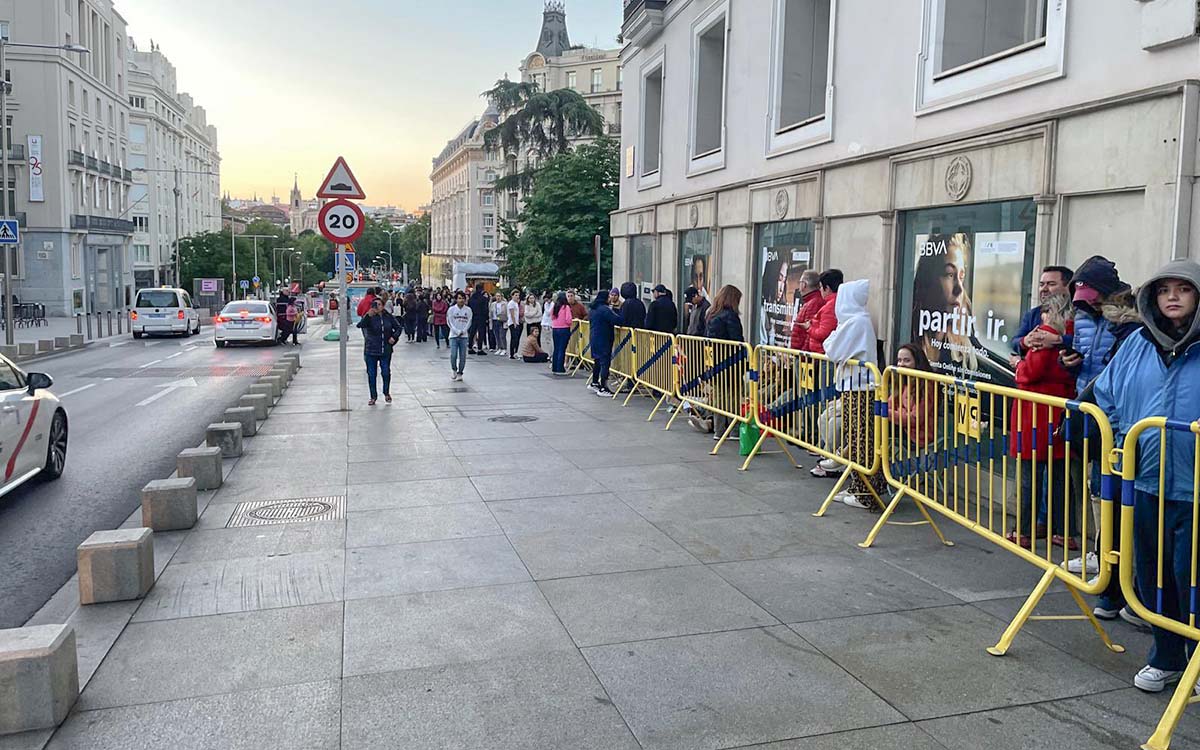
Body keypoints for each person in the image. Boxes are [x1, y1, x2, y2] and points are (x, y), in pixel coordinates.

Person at [1092, 259, 1200, 694]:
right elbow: (1107, 393)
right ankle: (1167, 656)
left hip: (1195, 488)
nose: (1172, 296)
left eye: (1184, 289)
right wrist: (1121, 440)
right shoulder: (1137, 343)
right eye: (1163, 290)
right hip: (1145, 483)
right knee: (1154, 578)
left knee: (1191, 577)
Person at [1006, 291, 1076, 549]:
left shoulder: (1045, 334)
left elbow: (1029, 373)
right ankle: (1064, 532)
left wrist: (1017, 364)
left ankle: (1022, 531)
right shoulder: (1072, 337)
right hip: (1059, 413)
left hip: (1034, 416)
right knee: (1059, 478)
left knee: (1029, 478)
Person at [823, 279, 887, 510]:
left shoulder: (856, 322)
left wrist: (833, 339)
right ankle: (860, 487)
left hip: (860, 389)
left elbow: (831, 348)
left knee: (862, 440)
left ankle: (865, 492)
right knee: (856, 438)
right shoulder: (855, 321)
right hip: (854, 387)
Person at [694, 285, 745, 440]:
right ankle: (734, 430)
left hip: (715, 362)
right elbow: (737, 341)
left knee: (719, 397)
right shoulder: (730, 316)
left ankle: (718, 430)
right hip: (730, 362)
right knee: (733, 396)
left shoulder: (711, 314)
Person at [1009, 265, 1074, 367]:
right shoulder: (1032, 314)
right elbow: (1014, 342)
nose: (1044, 289)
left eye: (1051, 284)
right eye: (1041, 284)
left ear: (1068, 287)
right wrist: (1025, 341)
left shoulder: (1078, 314)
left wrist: (1058, 340)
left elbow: (1081, 344)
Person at [356, 296, 401, 405]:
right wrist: (368, 315)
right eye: (375, 305)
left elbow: (398, 327)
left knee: (385, 372)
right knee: (371, 374)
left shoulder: (388, 316)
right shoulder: (370, 317)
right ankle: (373, 396)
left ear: (383, 306)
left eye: (379, 304)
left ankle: (386, 392)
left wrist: (394, 337)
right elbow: (360, 325)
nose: (377, 307)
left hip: (385, 349)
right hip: (371, 350)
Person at [588, 289, 623, 396]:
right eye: (608, 297)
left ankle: (594, 382)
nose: (610, 299)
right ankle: (603, 387)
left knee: (597, 361)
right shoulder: (604, 309)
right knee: (605, 362)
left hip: (594, 337)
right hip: (604, 338)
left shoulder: (593, 309)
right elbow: (617, 320)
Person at [805, 269, 842, 355]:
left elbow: (823, 333)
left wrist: (809, 328)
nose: (820, 290)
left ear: (827, 288)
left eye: (821, 287)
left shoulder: (830, 307)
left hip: (824, 353)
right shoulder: (835, 302)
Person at [789, 270, 825, 352]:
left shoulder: (813, 303)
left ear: (804, 284)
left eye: (800, 282)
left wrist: (803, 354)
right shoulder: (811, 301)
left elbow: (809, 332)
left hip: (803, 357)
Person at [447, 291, 472, 381]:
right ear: (456, 299)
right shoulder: (451, 310)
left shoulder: (468, 310)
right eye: (459, 298)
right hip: (453, 335)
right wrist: (456, 331)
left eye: (462, 298)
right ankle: (454, 369)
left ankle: (460, 372)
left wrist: (463, 331)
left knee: (463, 356)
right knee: (453, 354)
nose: (461, 300)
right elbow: (449, 322)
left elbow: (469, 321)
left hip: (464, 336)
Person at [550, 291, 573, 374]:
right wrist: (570, 323)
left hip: (555, 328)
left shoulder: (555, 306)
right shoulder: (566, 307)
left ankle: (555, 367)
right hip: (564, 328)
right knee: (562, 349)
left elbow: (552, 316)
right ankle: (560, 368)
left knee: (556, 348)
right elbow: (568, 319)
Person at [468, 283, 490, 355]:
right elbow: (485, 309)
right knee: (481, 333)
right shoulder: (484, 299)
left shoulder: (471, 298)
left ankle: (470, 347)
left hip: (473, 316)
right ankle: (479, 348)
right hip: (481, 317)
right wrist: (487, 317)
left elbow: (469, 307)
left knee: (472, 332)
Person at [506, 290, 523, 359]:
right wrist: (515, 323)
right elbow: (512, 314)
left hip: (516, 322)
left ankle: (515, 352)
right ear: (512, 295)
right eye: (515, 295)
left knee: (516, 338)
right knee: (514, 338)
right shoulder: (511, 303)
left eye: (518, 295)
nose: (517, 297)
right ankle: (512, 353)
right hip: (512, 322)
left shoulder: (516, 303)